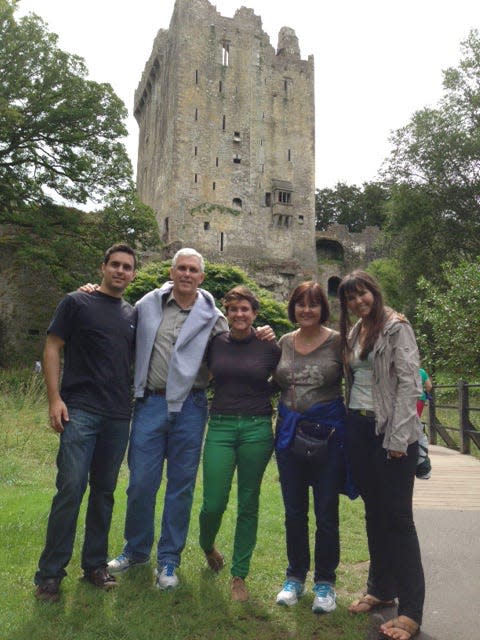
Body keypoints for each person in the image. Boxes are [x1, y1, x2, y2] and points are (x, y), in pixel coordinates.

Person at [106, 248, 228, 590]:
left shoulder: (214, 316)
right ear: (172, 272)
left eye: (193, 270)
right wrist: (91, 290)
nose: (187, 274)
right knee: (141, 483)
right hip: (150, 403)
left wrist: (262, 335)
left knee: (180, 488)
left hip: (191, 406)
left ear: (201, 277)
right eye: (181, 268)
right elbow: (116, 317)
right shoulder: (148, 305)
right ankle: (136, 550)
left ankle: (169, 560)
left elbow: (234, 351)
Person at [34, 243, 137, 602]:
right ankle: (49, 575)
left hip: (118, 414)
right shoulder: (76, 303)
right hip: (80, 410)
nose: (120, 271)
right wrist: (54, 399)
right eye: (115, 265)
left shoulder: (131, 314)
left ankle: (95, 564)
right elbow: (52, 346)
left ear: (133, 274)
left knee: (104, 492)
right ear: (102, 267)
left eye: (127, 267)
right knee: (71, 489)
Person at [338, 270, 425, 640]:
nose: (359, 302)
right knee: (374, 513)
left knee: (399, 520)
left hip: (389, 432)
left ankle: (411, 610)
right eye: (351, 299)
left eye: (363, 294)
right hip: (359, 430)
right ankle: (380, 588)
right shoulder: (356, 331)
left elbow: (410, 383)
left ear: (375, 291)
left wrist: (399, 437)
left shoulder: (396, 327)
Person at [198, 286, 281, 602]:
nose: (239, 314)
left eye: (245, 309)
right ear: (227, 313)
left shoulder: (269, 347)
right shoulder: (216, 343)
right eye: (233, 309)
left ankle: (239, 576)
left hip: (257, 429)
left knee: (249, 502)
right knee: (213, 503)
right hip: (220, 427)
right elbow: (202, 374)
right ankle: (208, 545)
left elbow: (283, 378)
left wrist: (263, 393)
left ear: (255, 314)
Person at [273, 281, 349, 614]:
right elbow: (269, 379)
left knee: (326, 512)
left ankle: (325, 582)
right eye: (301, 304)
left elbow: (361, 374)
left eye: (313, 304)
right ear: (293, 307)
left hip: (328, 436)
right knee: (293, 512)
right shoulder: (283, 342)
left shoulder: (338, 342)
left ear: (323, 308)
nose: (306, 310)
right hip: (289, 435)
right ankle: (295, 577)